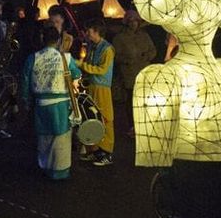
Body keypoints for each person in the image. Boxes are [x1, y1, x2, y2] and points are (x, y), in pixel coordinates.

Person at [20, 24, 82, 180]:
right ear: (58, 40)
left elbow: (25, 81)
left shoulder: (33, 58)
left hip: (40, 104)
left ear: (42, 39)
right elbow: (76, 74)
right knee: (61, 138)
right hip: (61, 105)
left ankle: (45, 167)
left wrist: (25, 101)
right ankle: (60, 171)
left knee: (44, 138)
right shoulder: (66, 58)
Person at [112, 11, 156, 135]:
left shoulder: (144, 36)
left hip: (144, 72)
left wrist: (147, 56)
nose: (133, 23)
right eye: (130, 21)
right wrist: (127, 60)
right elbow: (115, 56)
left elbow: (153, 50)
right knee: (131, 101)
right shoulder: (120, 38)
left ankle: (146, 123)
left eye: (135, 21)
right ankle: (132, 126)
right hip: (129, 75)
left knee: (146, 100)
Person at [76, 23, 115, 166]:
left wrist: (81, 65)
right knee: (91, 117)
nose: (87, 34)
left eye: (89, 31)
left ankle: (107, 153)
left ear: (97, 32)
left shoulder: (107, 49)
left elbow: (102, 70)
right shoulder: (92, 46)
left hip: (102, 87)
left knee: (105, 118)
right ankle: (94, 151)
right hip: (92, 86)